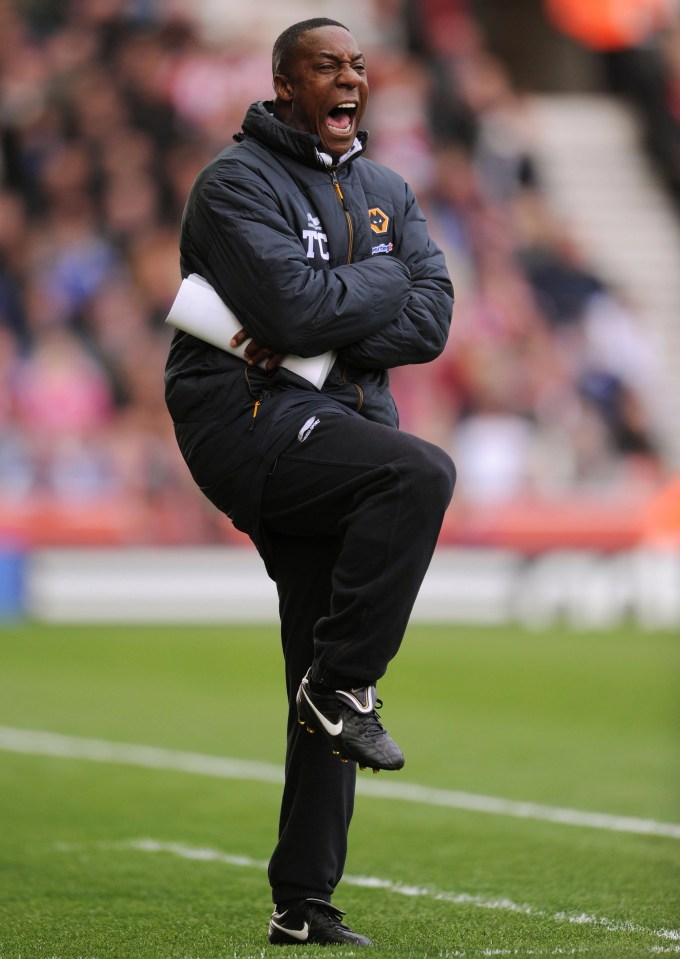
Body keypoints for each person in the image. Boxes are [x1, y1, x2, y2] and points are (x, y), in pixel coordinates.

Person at [164, 18, 456, 947]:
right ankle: (346, 685)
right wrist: (378, 280)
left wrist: (336, 308)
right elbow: (293, 307)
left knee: (319, 663)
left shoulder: (385, 187)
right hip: (248, 419)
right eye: (327, 65)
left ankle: (302, 900)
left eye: (358, 65)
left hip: (341, 423)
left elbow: (432, 320)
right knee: (420, 474)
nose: (350, 78)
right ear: (285, 83)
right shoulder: (235, 182)